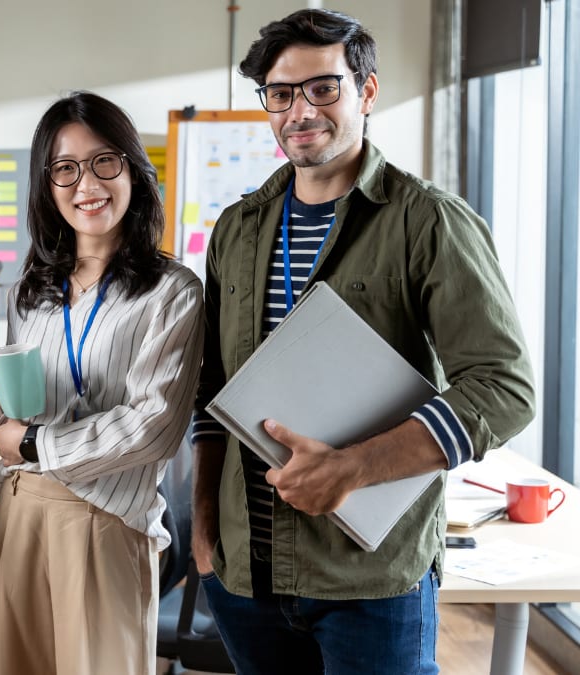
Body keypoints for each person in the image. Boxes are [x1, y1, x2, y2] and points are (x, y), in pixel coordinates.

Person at [191, 9, 535, 674]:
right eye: (281, 93)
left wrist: (353, 467)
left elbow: (504, 387)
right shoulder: (236, 229)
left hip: (370, 582)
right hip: (244, 577)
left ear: (366, 91)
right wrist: (206, 537)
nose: (299, 111)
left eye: (323, 88)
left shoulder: (427, 220)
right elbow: (213, 390)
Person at [0, 92, 204, 675]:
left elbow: (153, 426)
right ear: (46, 185)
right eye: (66, 168)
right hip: (21, 510)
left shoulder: (171, 291)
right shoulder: (35, 287)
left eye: (105, 161)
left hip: (105, 520)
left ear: (132, 168)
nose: (87, 184)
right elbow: (16, 419)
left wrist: (32, 443)